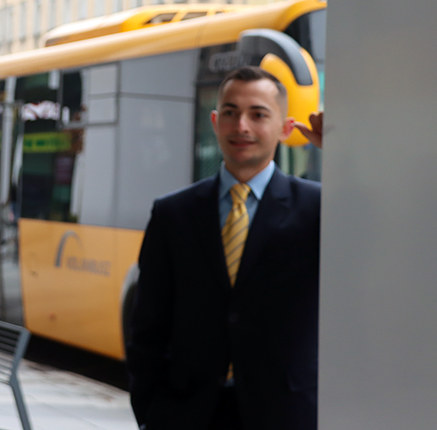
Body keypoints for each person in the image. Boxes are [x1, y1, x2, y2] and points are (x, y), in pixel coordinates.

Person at [127, 66, 323, 430]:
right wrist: (151, 411)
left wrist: (346, 157)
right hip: (186, 414)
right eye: (230, 113)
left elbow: (385, 241)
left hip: (287, 414)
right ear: (215, 122)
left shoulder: (319, 208)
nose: (242, 126)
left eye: (258, 114)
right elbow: (147, 325)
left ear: (285, 128)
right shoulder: (173, 213)